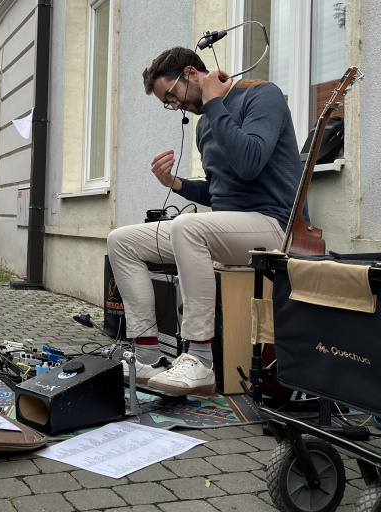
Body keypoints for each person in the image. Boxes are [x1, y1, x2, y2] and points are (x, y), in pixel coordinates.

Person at [107, 46, 303, 395]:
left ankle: (200, 359)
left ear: (192, 74)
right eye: (168, 103)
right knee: (122, 240)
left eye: (172, 96)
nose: (175, 106)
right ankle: (148, 355)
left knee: (187, 228)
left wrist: (214, 104)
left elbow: (250, 162)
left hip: (274, 226)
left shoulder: (263, 96)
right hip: (230, 228)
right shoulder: (205, 127)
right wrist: (175, 184)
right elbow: (219, 191)